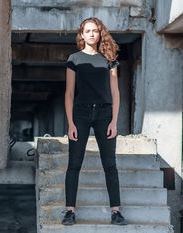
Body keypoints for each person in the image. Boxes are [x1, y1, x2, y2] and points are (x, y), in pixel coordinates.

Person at [62, 17, 127, 226]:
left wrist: (114, 122)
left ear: (100, 34)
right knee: (74, 163)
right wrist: (71, 123)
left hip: (104, 115)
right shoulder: (74, 59)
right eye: (87, 31)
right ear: (81, 35)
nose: (91, 34)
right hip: (80, 114)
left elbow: (115, 93)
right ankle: (70, 211)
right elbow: (69, 93)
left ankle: (116, 212)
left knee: (110, 164)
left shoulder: (109, 59)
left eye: (95, 31)